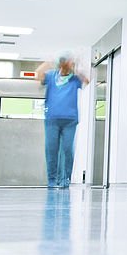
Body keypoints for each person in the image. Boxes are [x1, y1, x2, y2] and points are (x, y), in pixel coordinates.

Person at [36, 53, 90, 188]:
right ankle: (52, 180)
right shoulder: (51, 76)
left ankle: (65, 178)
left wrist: (78, 65)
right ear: (60, 64)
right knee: (51, 149)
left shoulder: (75, 79)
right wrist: (49, 61)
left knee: (67, 149)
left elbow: (87, 80)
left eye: (68, 64)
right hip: (52, 119)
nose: (66, 67)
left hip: (70, 120)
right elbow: (38, 74)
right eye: (64, 63)